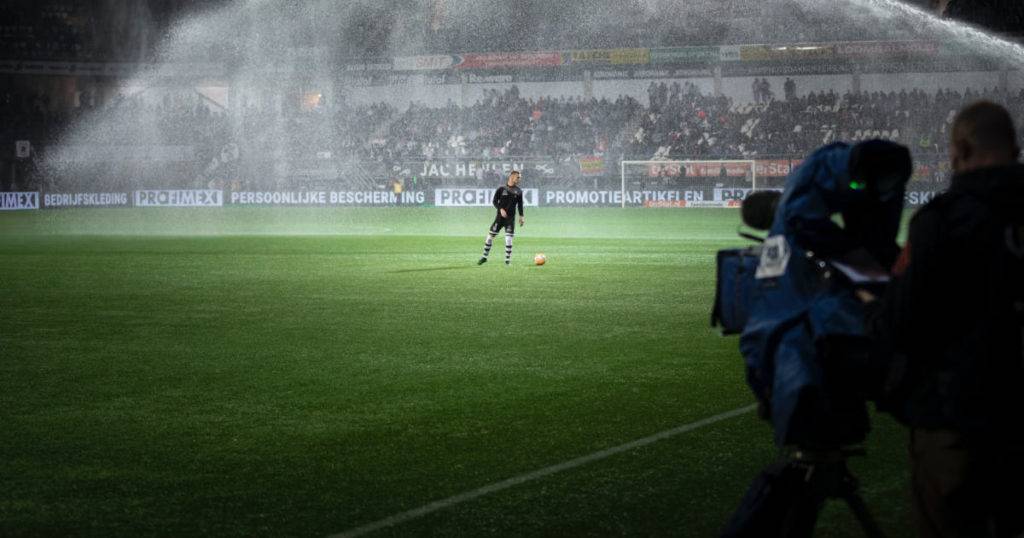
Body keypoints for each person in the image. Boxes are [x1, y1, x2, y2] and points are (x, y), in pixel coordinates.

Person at [867, 101, 1024, 538]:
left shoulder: (942, 221)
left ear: (959, 150)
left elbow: (901, 322)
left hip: (958, 421)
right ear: (1014, 148)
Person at [478, 170, 525, 266]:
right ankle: (484, 257)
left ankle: (507, 261)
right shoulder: (501, 189)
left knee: (508, 239)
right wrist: (501, 209)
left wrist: (521, 216)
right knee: (490, 237)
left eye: (519, 177)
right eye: (518, 177)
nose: (519, 179)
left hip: (510, 219)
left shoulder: (519, 191)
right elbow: (494, 201)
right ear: (512, 177)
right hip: (499, 219)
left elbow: (520, 205)